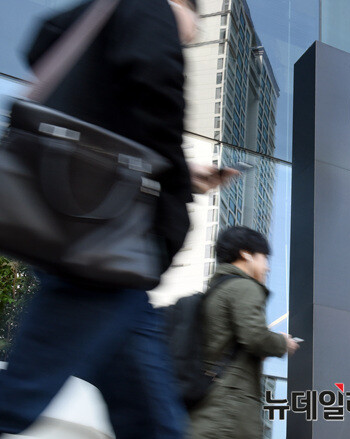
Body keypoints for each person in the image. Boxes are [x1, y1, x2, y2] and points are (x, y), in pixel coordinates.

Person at [0, 0, 234, 437]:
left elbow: (48, 48)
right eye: (194, 24)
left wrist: (171, 170)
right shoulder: (151, 9)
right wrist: (174, 184)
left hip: (102, 243)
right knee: (17, 398)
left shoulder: (105, 16)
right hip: (102, 242)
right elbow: (158, 98)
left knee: (153, 423)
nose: (189, 36)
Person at [189, 226, 299, 439]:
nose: (267, 267)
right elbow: (256, 337)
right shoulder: (244, 287)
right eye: (264, 258)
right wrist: (282, 343)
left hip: (207, 407)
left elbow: (229, 343)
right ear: (246, 254)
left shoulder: (215, 291)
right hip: (229, 411)